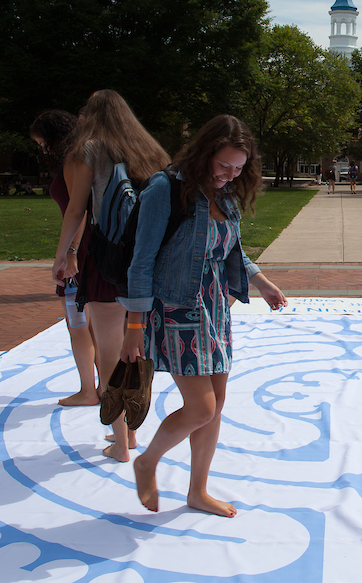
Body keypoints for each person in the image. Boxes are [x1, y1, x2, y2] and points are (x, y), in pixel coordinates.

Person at [119, 115, 287, 514]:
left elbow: (229, 249)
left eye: (239, 168)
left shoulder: (224, 196)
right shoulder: (166, 189)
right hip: (178, 308)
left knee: (217, 403)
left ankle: (197, 492)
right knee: (202, 408)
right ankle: (147, 461)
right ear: (204, 154)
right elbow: (141, 262)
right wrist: (134, 325)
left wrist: (260, 281)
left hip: (215, 307)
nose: (230, 175)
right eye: (223, 166)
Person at [51, 90, 170, 463]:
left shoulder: (90, 149)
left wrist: (62, 255)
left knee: (108, 350)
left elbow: (75, 210)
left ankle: (121, 443)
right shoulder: (149, 151)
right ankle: (131, 429)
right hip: (146, 260)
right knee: (133, 347)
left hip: (105, 258)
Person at [31, 109, 97, 407]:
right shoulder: (85, 153)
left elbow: (78, 210)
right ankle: (101, 387)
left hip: (80, 252)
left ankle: (88, 389)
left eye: (42, 142)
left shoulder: (75, 158)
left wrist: (69, 255)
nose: (42, 149)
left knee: (79, 323)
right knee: (93, 324)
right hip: (86, 249)